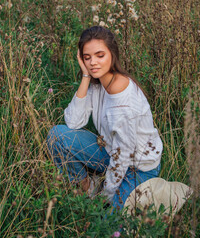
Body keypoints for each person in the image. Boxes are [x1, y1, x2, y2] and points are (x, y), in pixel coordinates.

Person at [46, 26, 163, 212]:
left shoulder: (123, 96)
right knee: (57, 136)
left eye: (100, 55)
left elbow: (123, 155)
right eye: (87, 57)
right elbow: (74, 122)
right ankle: (86, 187)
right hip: (110, 153)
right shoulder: (99, 83)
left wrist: (106, 197)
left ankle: (104, 193)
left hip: (138, 168)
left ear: (112, 55)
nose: (93, 62)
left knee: (109, 224)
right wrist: (86, 76)